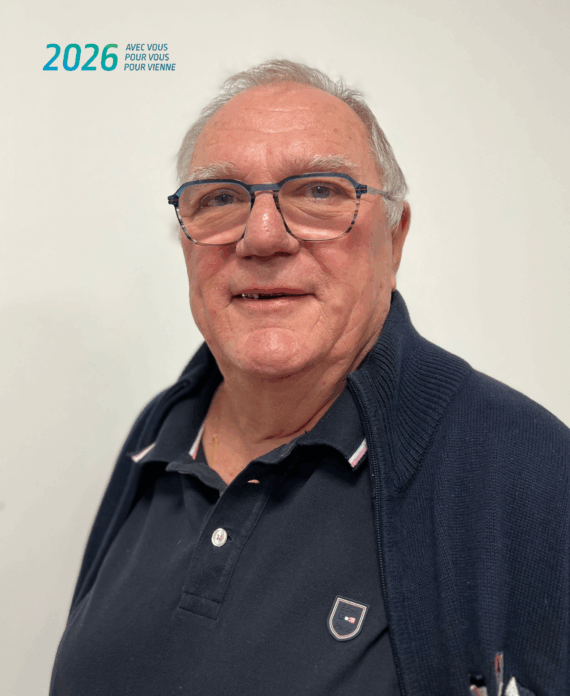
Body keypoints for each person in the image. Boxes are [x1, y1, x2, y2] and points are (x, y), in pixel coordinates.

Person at [50, 60, 569, 696]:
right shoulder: (160, 435)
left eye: (320, 192)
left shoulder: (529, 472)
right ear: (187, 244)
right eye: (220, 199)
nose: (262, 236)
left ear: (394, 240)